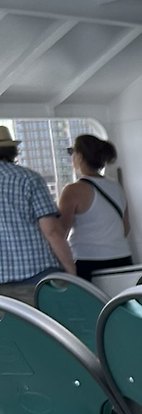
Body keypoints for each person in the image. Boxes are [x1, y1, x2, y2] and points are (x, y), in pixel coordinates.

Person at [0, 126, 74, 301]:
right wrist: (71, 271)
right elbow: (52, 231)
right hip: (37, 277)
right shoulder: (29, 178)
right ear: (12, 151)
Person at [58, 134, 131, 280]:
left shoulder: (73, 190)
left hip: (88, 263)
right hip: (123, 259)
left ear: (79, 156)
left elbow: (60, 232)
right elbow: (125, 227)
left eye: (71, 152)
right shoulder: (115, 186)